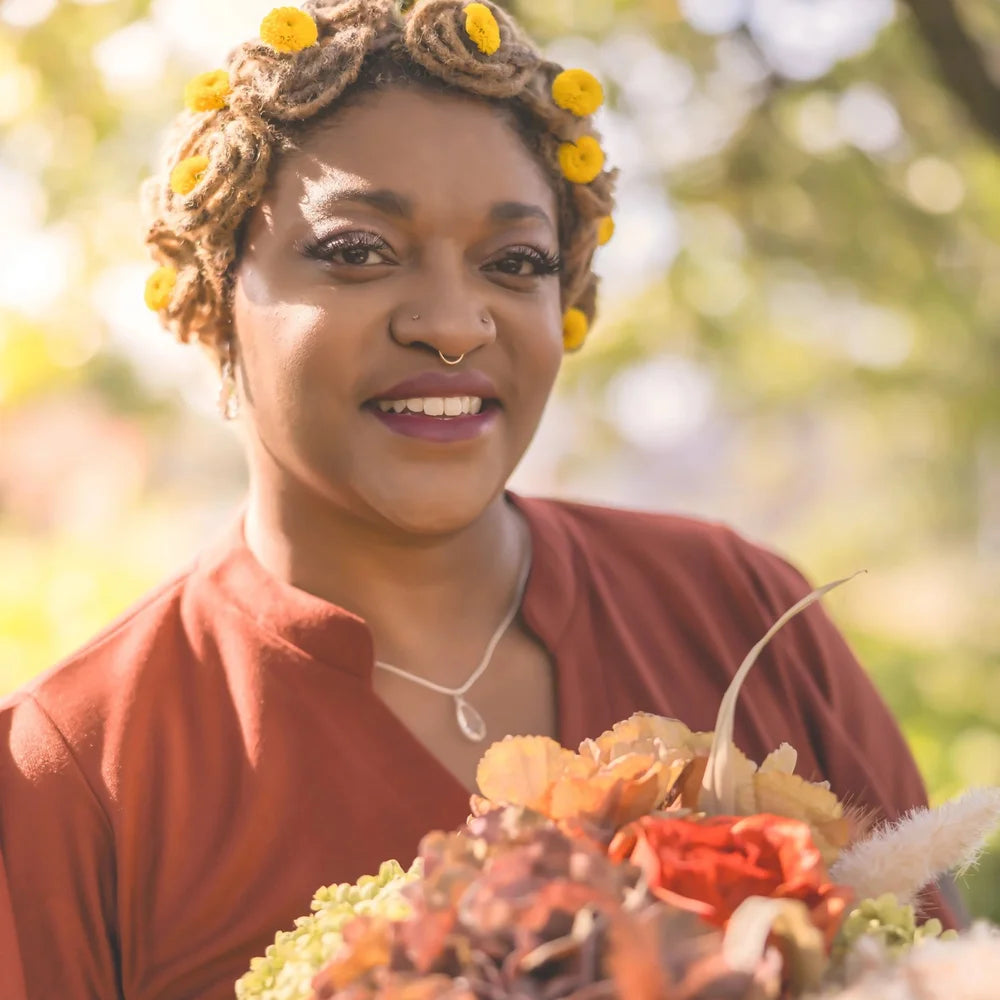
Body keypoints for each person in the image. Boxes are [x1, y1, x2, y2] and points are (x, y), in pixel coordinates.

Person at [0, 2, 958, 997]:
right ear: (217, 291)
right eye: (358, 250)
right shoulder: (71, 770)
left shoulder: (738, 608)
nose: (454, 325)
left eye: (514, 262)